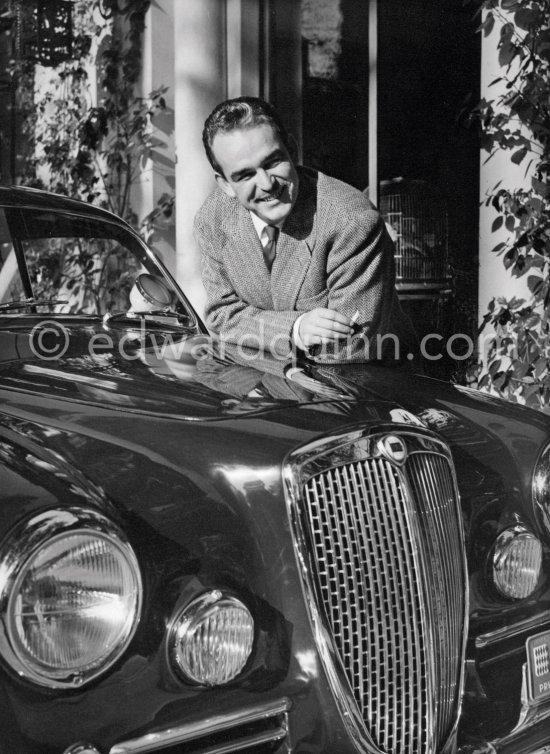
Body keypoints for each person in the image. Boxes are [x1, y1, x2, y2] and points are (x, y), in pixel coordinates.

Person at [194, 96, 418, 364]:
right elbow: (221, 316)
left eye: (273, 162)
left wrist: (255, 329)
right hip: (275, 382)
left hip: (370, 386)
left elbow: (351, 348)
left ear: (292, 149)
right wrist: (296, 329)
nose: (266, 184)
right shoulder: (214, 218)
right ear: (226, 185)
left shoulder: (351, 221)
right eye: (245, 175)